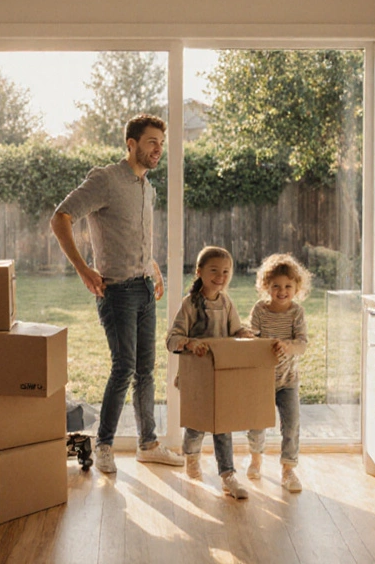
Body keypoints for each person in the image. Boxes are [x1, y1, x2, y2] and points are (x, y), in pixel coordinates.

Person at [51, 113, 183, 474]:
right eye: (152, 141)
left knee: (145, 370)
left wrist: (152, 266)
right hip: (117, 292)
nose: (158, 149)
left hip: (144, 287)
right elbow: (60, 217)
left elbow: (132, 234)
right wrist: (83, 268)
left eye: (161, 143)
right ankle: (104, 445)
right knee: (124, 367)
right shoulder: (105, 179)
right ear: (131, 143)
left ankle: (148, 445)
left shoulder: (147, 187)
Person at [166, 246, 253, 500]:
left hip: (221, 376)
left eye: (226, 271)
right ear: (199, 272)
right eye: (214, 270)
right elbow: (172, 339)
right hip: (196, 378)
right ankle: (191, 457)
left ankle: (227, 475)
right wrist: (190, 343)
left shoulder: (226, 303)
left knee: (222, 426)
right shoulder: (189, 304)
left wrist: (244, 334)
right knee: (196, 426)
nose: (220, 276)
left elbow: (235, 330)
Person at [244, 252, 311, 493]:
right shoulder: (260, 310)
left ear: (296, 288)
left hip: (287, 381)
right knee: (256, 424)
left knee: (291, 425)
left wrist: (287, 346)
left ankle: (288, 470)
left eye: (287, 286)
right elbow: (251, 339)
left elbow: (302, 344)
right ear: (266, 286)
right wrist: (256, 340)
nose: (282, 291)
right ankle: (255, 460)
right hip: (261, 380)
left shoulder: (296, 313)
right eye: (276, 286)